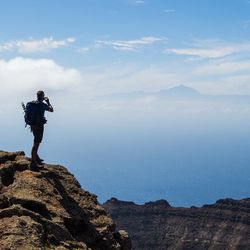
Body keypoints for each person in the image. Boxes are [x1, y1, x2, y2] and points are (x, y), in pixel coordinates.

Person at [31, 90, 54, 166]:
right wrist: (48, 102)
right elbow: (51, 110)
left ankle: (36, 158)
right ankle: (33, 162)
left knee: (36, 141)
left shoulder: (33, 103)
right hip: (39, 126)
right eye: (43, 95)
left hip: (33, 125)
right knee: (36, 143)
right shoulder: (42, 104)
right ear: (42, 96)